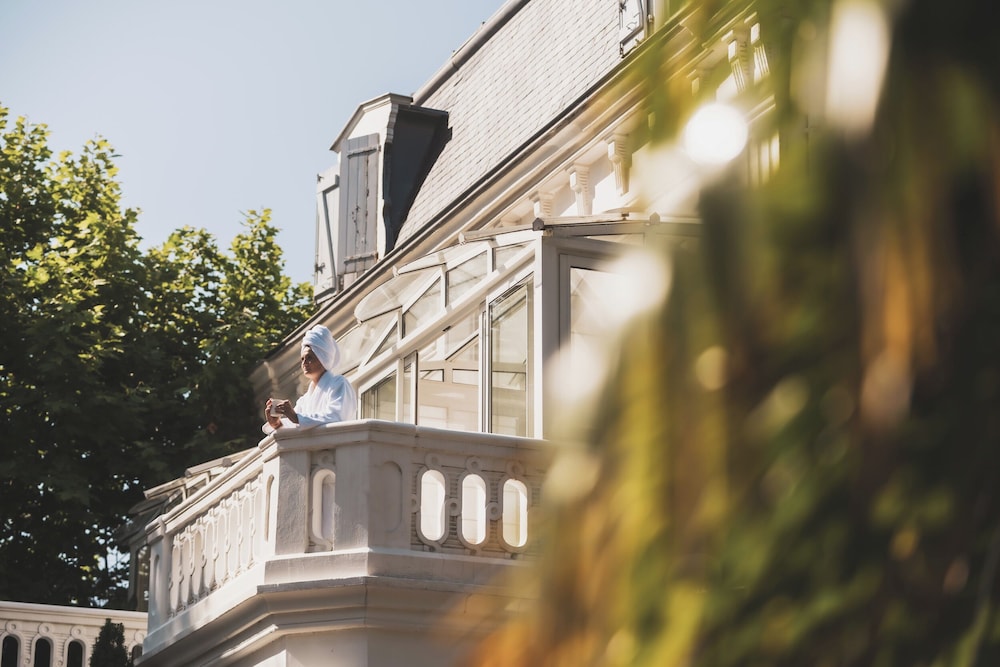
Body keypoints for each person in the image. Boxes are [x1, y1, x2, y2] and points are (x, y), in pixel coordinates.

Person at [263, 324, 357, 434]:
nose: (304, 363)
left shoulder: (338, 383)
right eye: (302, 359)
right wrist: (277, 423)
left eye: (309, 358)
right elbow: (295, 425)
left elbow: (336, 415)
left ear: (323, 358)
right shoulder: (305, 400)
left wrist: (296, 417)